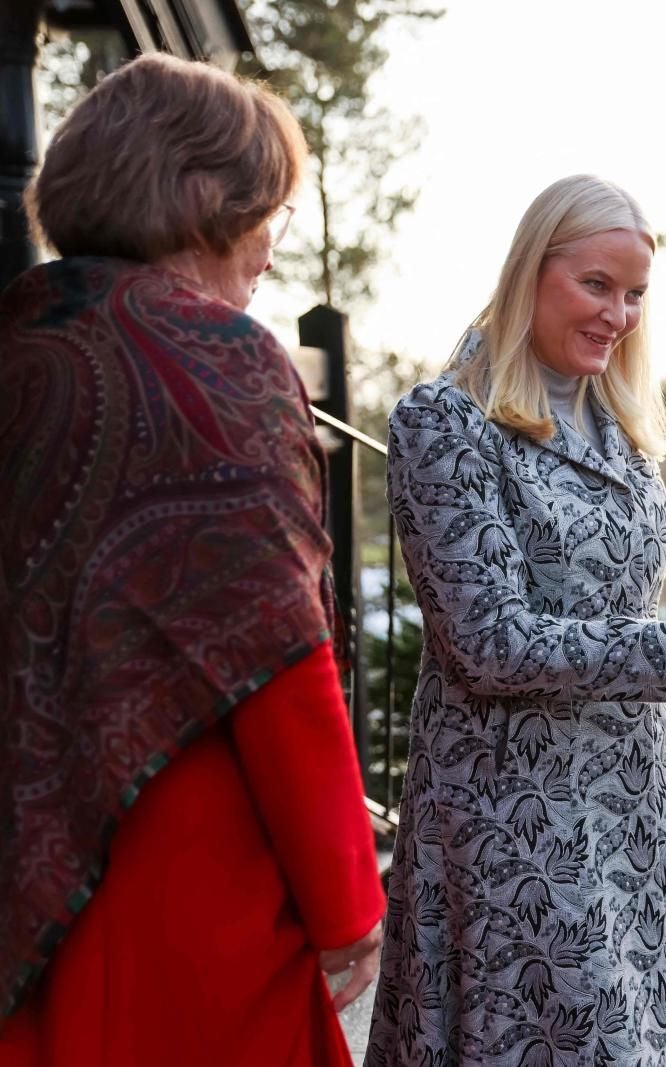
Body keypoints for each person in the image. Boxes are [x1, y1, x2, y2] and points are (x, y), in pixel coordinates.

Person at [0, 54, 384, 1064]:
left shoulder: (18, 341)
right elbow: (280, 658)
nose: (267, 245)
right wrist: (347, 896)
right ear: (206, 197)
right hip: (186, 870)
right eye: (268, 210)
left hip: (23, 859)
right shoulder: (225, 359)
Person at [366, 175, 666, 1066]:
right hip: (517, 824)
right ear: (531, 272)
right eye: (596, 284)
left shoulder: (623, 426)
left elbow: (615, 612)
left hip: (639, 809)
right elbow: (487, 640)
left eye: (635, 294)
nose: (619, 314)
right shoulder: (446, 422)